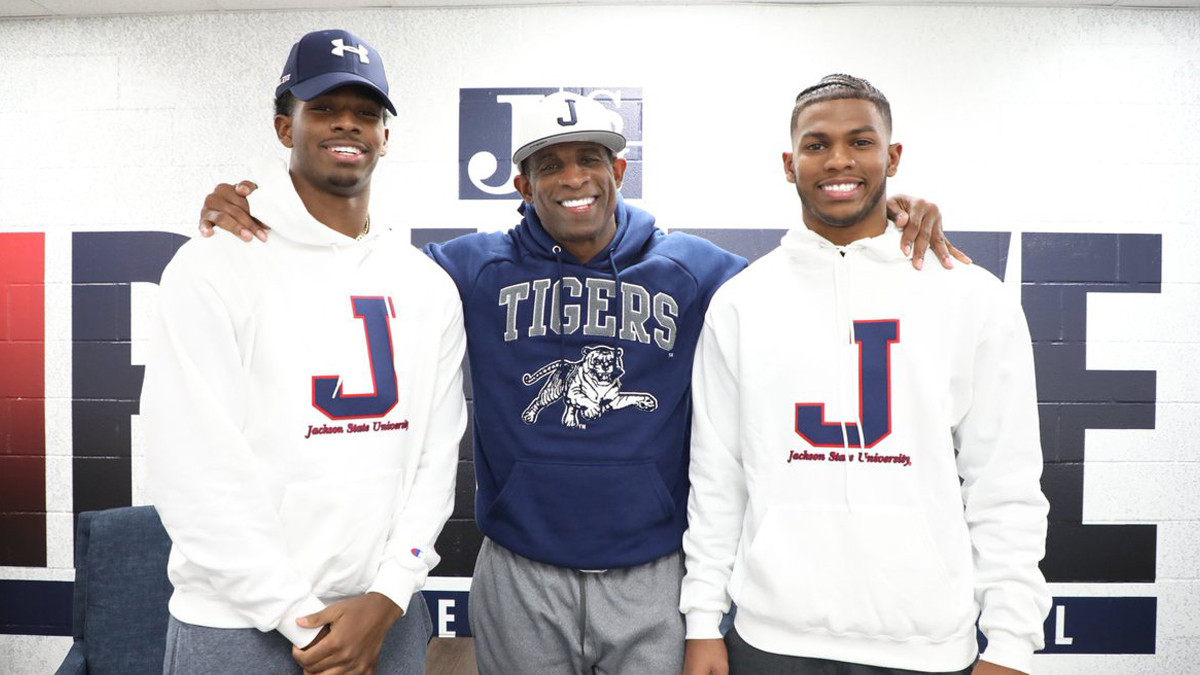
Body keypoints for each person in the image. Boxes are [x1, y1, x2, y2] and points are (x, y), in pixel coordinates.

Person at [197, 91, 967, 674]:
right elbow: (353, 268)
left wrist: (888, 223)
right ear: (521, 183)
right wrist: (255, 215)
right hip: (520, 569)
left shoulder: (697, 271)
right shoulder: (466, 267)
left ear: (617, 169)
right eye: (549, 164)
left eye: (589, 158)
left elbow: (813, 280)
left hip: (653, 571)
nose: (572, 177)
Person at [679, 74, 1050, 675]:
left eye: (861, 141)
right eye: (817, 144)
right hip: (771, 641)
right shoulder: (743, 301)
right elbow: (718, 476)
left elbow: (1003, 481)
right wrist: (702, 619)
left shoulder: (970, 296)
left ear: (893, 156)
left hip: (925, 645)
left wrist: (1009, 644)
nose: (839, 160)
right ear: (789, 162)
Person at [141, 29, 467, 675]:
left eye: (366, 112)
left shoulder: (427, 284)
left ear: (385, 137)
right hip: (239, 626)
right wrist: (301, 619)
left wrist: (389, 593)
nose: (347, 123)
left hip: (385, 621)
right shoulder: (211, 267)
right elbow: (192, 472)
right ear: (284, 127)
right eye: (323, 107)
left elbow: (435, 456)